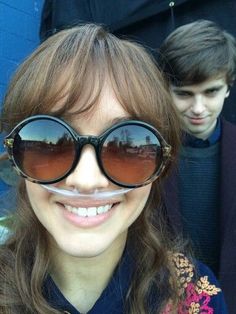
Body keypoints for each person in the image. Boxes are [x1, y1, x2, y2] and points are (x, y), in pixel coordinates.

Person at [0, 24, 227, 313]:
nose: (85, 180)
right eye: (50, 144)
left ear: (161, 165)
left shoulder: (199, 297)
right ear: (16, 156)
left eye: (126, 146)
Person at [159, 19, 236, 313]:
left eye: (211, 91)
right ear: (166, 89)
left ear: (228, 87)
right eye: (184, 93)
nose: (199, 108)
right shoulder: (143, 152)